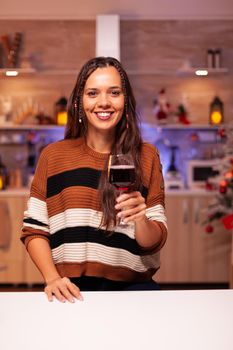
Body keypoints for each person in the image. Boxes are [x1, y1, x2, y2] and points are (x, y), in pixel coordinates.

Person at [21, 56, 168, 303]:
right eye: (92, 93)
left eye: (114, 93)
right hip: (69, 291)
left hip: (133, 293)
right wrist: (52, 278)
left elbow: (154, 242)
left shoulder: (146, 155)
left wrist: (141, 218)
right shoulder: (54, 155)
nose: (104, 102)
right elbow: (35, 230)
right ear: (79, 102)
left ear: (125, 101)